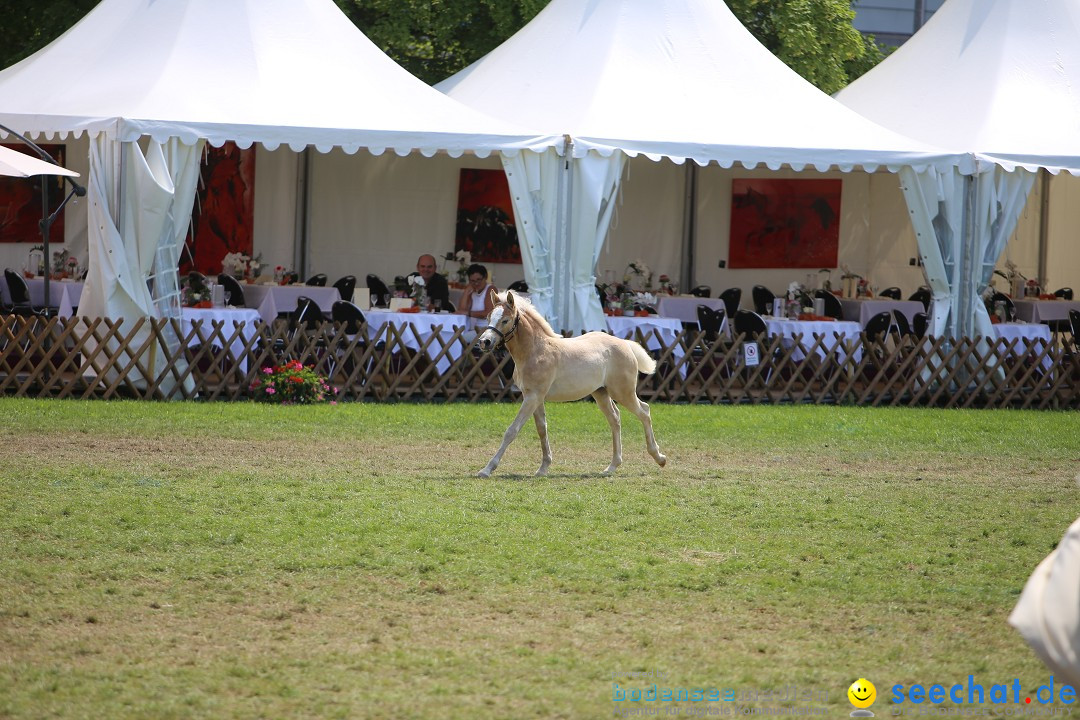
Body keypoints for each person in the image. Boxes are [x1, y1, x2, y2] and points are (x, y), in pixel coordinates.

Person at [458, 263, 498, 329]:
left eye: (478, 280)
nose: (476, 283)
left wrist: (469, 313)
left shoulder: (490, 289)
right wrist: (466, 291)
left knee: (460, 338)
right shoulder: (472, 292)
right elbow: (462, 311)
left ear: (485, 277)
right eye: (472, 281)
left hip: (488, 329)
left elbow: (489, 313)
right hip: (475, 329)